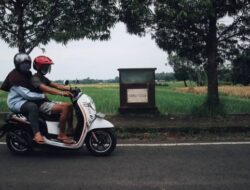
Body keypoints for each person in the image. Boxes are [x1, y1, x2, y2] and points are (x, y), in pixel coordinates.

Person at [1, 53, 46, 144]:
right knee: (32, 107)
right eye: (23, 63)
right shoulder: (14, 77)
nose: (27, 65)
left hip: (24, 101)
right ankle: (37, 134)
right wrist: (42, 96)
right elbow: (27, 95)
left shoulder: (27, 74)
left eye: (28, 63)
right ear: (17, 65)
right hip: (16, 102)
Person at [31, 55, 75, 144]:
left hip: (45, 102)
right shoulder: (34, 79)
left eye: (47, 66)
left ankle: (70, 129)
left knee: (70, 106)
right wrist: (62, 93)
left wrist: (71, 89)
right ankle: (61, 134)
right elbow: (46, 89)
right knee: (65, 107)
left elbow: (56, 85)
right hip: (40, 104)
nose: (47, 68)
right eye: (45, 66)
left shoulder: (43, 78)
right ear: (39, 67)